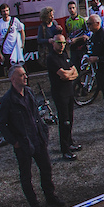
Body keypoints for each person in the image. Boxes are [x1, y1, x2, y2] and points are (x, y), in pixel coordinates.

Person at [0, 64, 65, 207]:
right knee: (26, 176)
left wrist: (43, 131)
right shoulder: (7, 100)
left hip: (37, 138)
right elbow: (1, 124)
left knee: (46, 168)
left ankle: (50, 196)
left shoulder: (28, 92)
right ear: (13, 78)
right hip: (23, 143)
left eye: (25, 74)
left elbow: (35, 115)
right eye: (21, 75)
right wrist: (14, 141)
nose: (25, 77)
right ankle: (34, 205)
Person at [45, 31, 81, 159]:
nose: (61, 45)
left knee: (70, 119)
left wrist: (69, 73)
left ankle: (70, 142)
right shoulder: (51, 58)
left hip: (69, 92)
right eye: (59, 43)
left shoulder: (65, 55)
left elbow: (75, 73)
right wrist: (69, 74)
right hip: (60, 94)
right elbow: (64, 75)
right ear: (53, 43)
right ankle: (65, 149)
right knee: (64, 121)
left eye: (63, 43)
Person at [0, 4, 25, 70]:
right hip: (6, 51)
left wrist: (22, 44)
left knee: (21, 68)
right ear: (1, 13)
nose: (5, 13)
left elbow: (21, 31)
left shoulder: (15, 20)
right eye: (4, 11)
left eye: (7, 11)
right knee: (11, 69)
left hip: (16, 49)